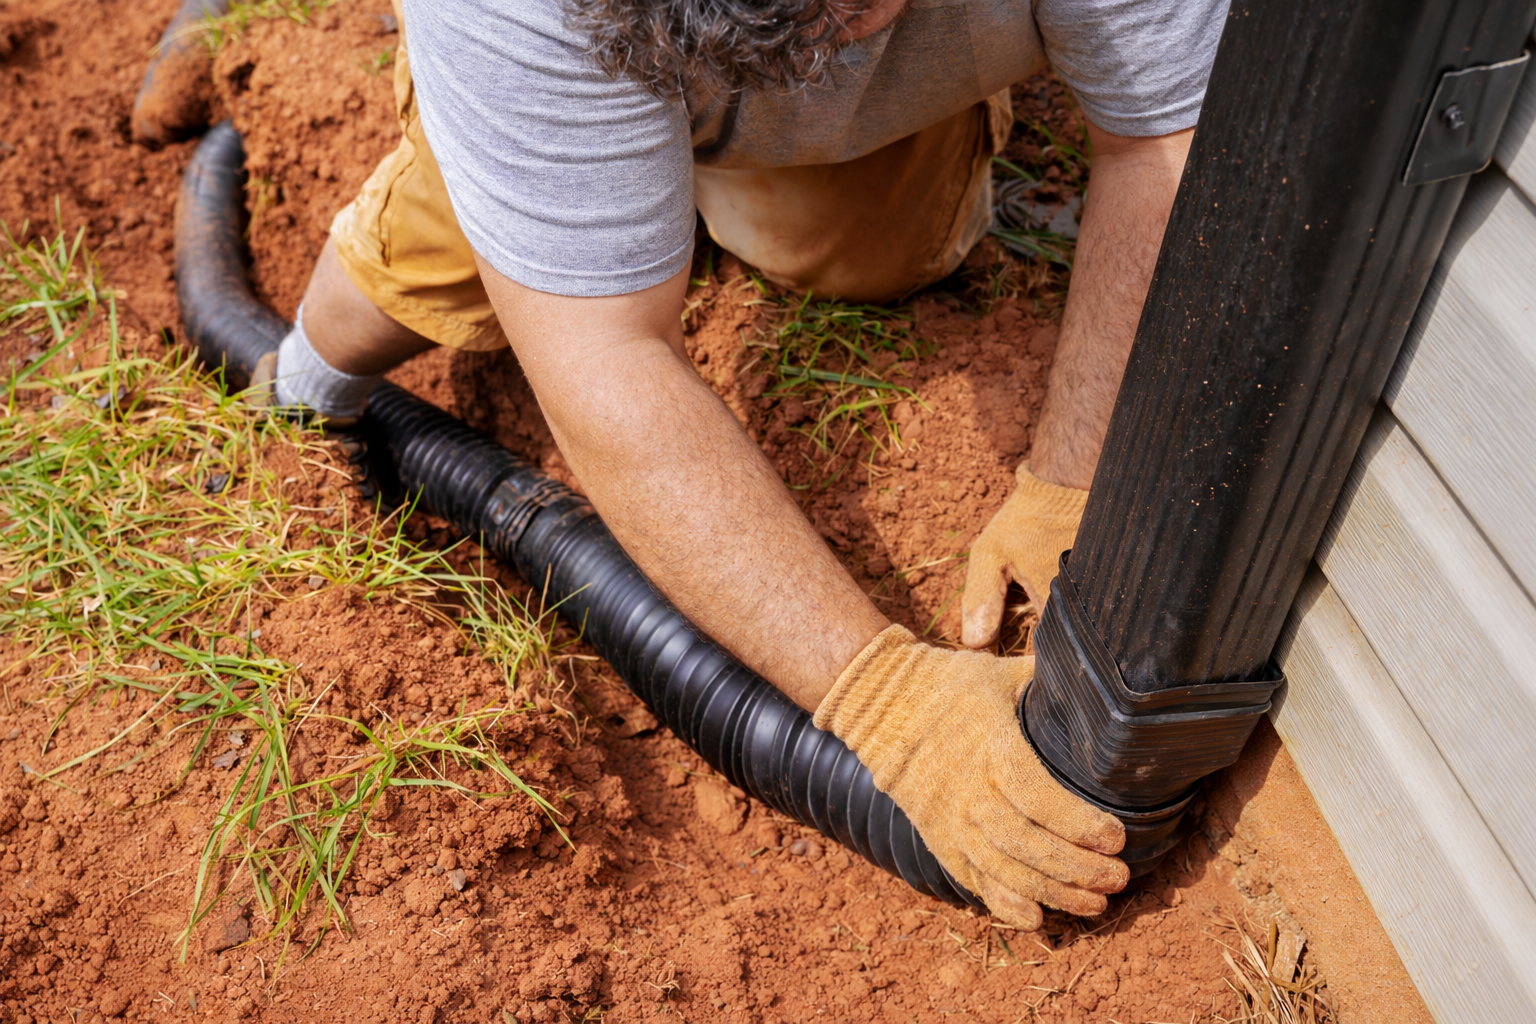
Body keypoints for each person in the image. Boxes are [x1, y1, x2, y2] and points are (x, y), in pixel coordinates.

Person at [253, 0, 1223, 930]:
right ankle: (288, 385)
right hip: (574, 61)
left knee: (880, 253)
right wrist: (890, 708)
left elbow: (1168, 146)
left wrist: (1077, 474)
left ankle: (679, 211)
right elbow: (605, 361)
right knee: (444, 247)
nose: (846, 24)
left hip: (858, 93)